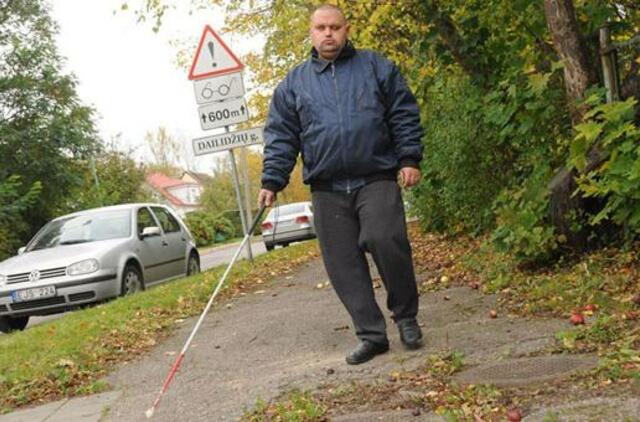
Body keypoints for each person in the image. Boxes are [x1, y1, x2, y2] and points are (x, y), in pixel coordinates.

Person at [258, 4, 424, 365]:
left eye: (335, 27)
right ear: (311, 32)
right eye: (321, 27)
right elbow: (282, 137)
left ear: (346, 30)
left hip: (375, 176)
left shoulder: (376, 67)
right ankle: (372, 335)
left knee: (386, 240)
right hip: (327, 187)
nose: (328, 33)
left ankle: (406, 318)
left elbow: (403, 112)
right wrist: (272, 180)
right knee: (343, 263)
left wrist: (409, 158)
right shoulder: (294, 85)